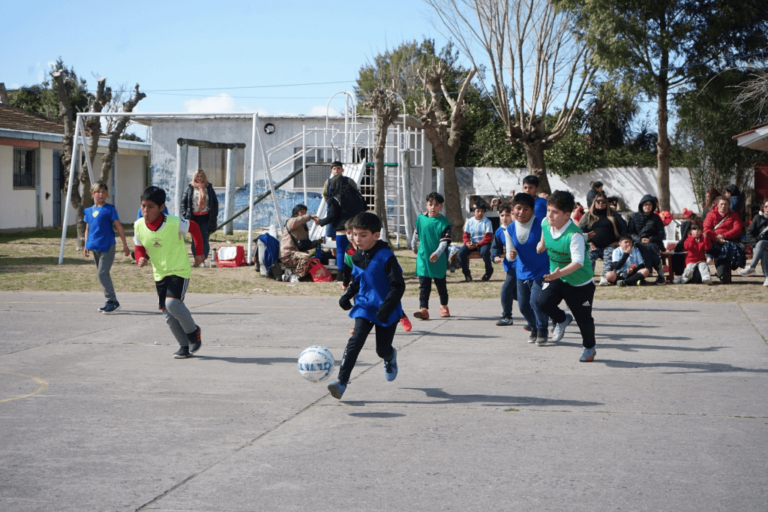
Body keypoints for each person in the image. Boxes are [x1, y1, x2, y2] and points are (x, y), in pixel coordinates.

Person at [327, 212, 405, 399]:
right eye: (354, 235)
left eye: (363, 235)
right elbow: (357, 281)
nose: (357, 239)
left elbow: (398, 286)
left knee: (381, 349)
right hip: (364, 305)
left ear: (376, 235)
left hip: (386, 308)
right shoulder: (356, 257)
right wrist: (346, 296)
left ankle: (389, 356)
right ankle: (341, 382)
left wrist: (385, 309)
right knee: (355, 342)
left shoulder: (386, 257)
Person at [134, 186, 205, 359]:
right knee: (167, 313)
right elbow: (139, 247)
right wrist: (140, 258)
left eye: (151, 206)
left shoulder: (174, 222)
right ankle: (184, 347)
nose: (146, 210)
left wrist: (200, 252)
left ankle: (194, 332)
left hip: (179, 269)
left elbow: (194, 228)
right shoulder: (138, 225)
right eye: (143, 206)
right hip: (160, 273)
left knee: (173, 304)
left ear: (161, 207)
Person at [535, 190, 597, 362]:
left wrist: (558, 274)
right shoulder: (545, 222)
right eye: (549, 210)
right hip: (558, 277)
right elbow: (543, 235)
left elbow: (577, 262)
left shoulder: (574, 235)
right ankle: (562, 319)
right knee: (542, 303)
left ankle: (589, 348)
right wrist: (541, 246)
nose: (550, 215)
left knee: (583, 318)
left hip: (579, 283)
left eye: (555, 212)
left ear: (567, 215)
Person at [505, 193, 551, 344]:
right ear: (513, 209)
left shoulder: (542, 224)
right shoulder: (510, 228)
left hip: (542, 270)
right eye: (518, 208)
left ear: (532, 211)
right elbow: (510, 255)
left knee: (535, 302)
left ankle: (543, 329)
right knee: (523, 306)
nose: (521, 212)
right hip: (522, 272)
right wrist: (511, 255)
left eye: (526, 209)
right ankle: (534, 327)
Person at [83, 181, 130, 314]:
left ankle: (112, 301)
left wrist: (125, 245)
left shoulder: (110, 209)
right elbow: (87, 229)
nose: (101, 194)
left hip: (108, 245)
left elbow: (119, 226)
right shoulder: (88, 211)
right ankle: (109, 301)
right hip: (95, 246)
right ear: (92, 194)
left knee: (102, 273)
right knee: (102, 274)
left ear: (107, 194)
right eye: (98, 192)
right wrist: (86, 244)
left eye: (104, 192)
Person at [316, 172, 367, 281]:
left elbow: (332, 216)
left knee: (341, 252)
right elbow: (365, 208)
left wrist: (320, 222)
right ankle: (356, 273)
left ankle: (341, 275)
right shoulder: (357, 195)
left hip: (342, 229)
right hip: (357, 227)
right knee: (357, 250)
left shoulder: (336, 198)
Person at [412, 192, 452, 320]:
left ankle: (444, 305)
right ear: (426, 205)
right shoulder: (420, 219)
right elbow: (416, 233)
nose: (433, 207)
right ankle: (423, 309)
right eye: (430, 204)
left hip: (438, 259)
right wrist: (413, 246)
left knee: (441, 284)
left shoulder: (444, 223)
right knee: (424, 285)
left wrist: (437, 253)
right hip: (423, 257)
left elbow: (444, 243)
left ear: (441, 206)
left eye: (436, 205)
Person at [579, 193, 627, 285]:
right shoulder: (588, 216)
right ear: (594, 202)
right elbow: (581, 231)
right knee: (589, 255)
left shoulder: (613, 215)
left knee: (609, 254)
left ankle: (604, 277)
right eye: (598, 201)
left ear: (606, 203)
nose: (601, 203)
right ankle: (589, 277)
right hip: (593, 245)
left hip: (609, 245)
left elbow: (624, 228)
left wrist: (620, 241)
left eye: (603, 201)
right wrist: (588, 242)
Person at [181, 169, 219, 266]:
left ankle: (204, 259)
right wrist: (186, 214)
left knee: (204, 239)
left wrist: (214, 213)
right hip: (194, 218)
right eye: (197, 176)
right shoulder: (190, 188)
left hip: (206, 217)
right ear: (194, 177)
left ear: (204, 177)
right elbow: (183, 203)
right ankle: (197, 259)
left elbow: (215, 202)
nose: (199, 178)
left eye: (201, 176)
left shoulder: (209, 188)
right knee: (195, 240)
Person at [703, 196, 745, 283]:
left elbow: (737, 229)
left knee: (727, 248)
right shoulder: (711, 214)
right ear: (717, 205)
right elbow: (706, 229)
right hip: (714, 241)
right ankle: (721, 272)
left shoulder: (734, 215)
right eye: (721, 204)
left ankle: (722, 272)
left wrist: (724, 235)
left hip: (729, 241)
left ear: (729, 205)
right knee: (718, 248)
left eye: (726, 204)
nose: (723, 206)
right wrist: (716, 237)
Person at [626, 194, 666, 285]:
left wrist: (650, 239)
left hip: (653, 242)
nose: (647, 206)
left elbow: (661, 234)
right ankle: (640, 274)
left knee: (652, 248)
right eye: (645, 204)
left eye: (650, 204)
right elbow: (630, 232)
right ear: (641, 205)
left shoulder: (656, 218)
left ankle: (660, 275)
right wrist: (640, 239)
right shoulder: (634, 216)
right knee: (639, 249)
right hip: (637, 242)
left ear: (653, 206)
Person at [491, 204, 516, 326]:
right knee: (518, 294)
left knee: (506, 290)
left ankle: (507, 316)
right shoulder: (499, 231)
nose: (505, 218)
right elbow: (496, 247)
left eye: (507, 215)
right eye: (502, 215)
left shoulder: (517, 228)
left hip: (520, 265)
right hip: (509, 265)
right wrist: (495, 256)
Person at [280, 204, 321, 279]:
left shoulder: (302, 227)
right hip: (288, 254)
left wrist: (316, 242)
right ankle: (296, 276)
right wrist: (311, 216)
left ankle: (294, 274)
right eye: (302, 212)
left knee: (312, 258)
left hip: (296, 254)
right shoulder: (291, 221)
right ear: (296, 213)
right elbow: (301, 219)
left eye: (305, 212)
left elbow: (304, 245)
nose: (304, 214)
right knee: (306, 257)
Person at [458, 202, 494, 281]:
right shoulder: (469, 221)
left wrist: (477, 244)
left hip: (483, 243)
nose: (480, 213)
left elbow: (488, 237)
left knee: (484, 252)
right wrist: (467, 243)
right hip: (472, 242)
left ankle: (489, 271)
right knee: (460, 253)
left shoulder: (487, 222)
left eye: (482, 211)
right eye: (478, 211)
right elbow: (466, 235)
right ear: (474, 212)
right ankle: (467, 274)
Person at [739, 198, 768, 285]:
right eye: (766, 206)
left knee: (761, 243)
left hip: (764, 243)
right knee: (764, 252)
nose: (767, 209)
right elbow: (749, 233)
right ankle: (767, 277)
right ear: (763, 207)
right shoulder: (757, 218)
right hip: (760, 246)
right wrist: (756, 245)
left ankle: (751, 267)